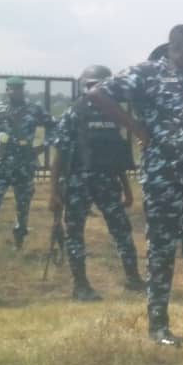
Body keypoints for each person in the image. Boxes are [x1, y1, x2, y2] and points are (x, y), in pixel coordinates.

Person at [88, 25, 183, 347]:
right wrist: (137, 128)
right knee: (162, 253)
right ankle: (159, 325)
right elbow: (97, 94)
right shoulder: (148, 74)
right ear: (177, 48)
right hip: (168, 181)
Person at [50, 65, 144, 301]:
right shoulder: (75, 112)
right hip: (78, 182)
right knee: (75, 233)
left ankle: (134, 279)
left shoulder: (112, 114)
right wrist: (53, 192)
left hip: (106, 182)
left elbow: (116, 154)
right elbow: (59, 154)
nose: (96, 90)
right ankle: (81, 286)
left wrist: (126, 188)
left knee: (122, 231)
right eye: (94, 86)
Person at [0, 76, 56, 254]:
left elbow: (54, 128)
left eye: (18, 88)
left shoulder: (35, 109)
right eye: (11, 88)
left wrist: (42, 146)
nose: (14, 91)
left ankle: (19, 241)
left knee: (23, 206)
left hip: (25, 165)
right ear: (7, 89)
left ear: (23, 90)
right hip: (0, 165)